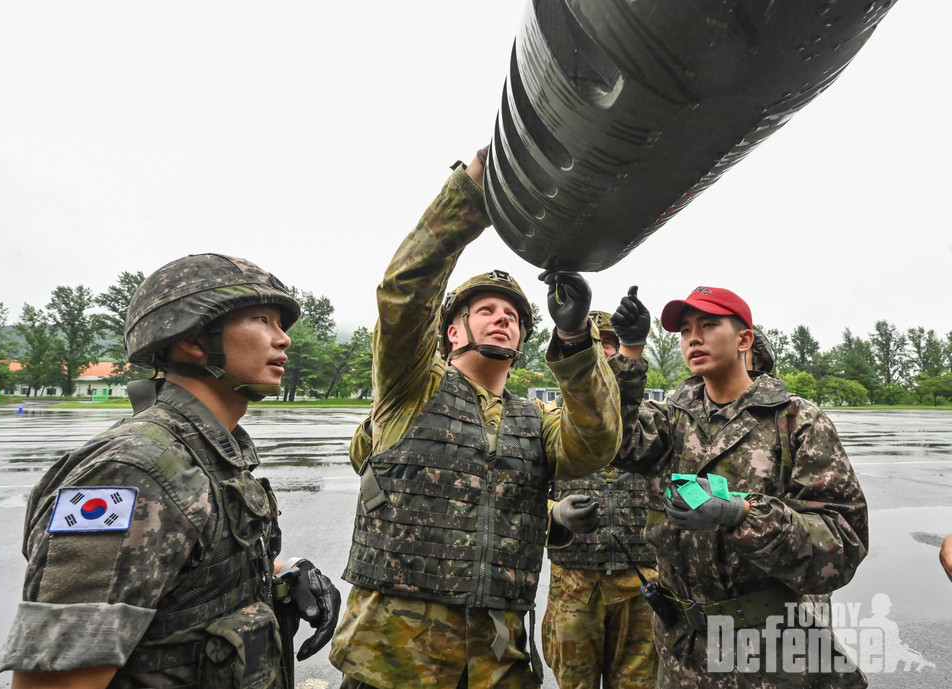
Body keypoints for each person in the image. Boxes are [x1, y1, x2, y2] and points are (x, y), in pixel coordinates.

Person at [328, 149, 622, 689]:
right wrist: (467, 195)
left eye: (512, 316)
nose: (502, 319)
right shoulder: (412, 388)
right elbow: (404, 298)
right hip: (392, 660)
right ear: (453, 331)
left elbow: (597, 443)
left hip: (498, 661)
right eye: (485, 310)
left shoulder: (536, 418)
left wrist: (579, 342)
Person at [0, 253, 341, 689]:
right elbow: (56, 683)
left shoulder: (208, 451)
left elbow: (180, 588)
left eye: (281, 325)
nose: (283, 339)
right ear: (196, 341)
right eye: (261, 319)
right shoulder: (130, 471)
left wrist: (281, 573)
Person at [608, 285, 869, 688]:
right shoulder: (672, 419)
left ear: (745, 339)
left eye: (709, 325)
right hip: (683, 653)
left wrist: (742, 513)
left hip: (771, 652)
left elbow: (842, 544)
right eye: (685, 330)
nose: (694, 337)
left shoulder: (797, 421)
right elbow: (612, 439)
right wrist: (629, 351)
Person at [542, 311, 658, 689]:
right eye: (594, 345)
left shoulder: (654, 424)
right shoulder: (548, 425)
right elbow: (517, 501)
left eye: (610, 343)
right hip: (574, 586)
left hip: (641, 584)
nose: (603, 353)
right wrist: (555, 514)